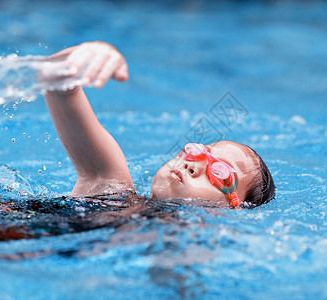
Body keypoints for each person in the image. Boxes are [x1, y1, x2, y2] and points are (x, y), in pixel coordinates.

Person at [43, 41, 275, 209]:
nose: (193, 166)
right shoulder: (108, 185)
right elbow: (56, 82)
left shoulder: (196, 245)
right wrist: (92, 52)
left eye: (220, 173)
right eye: (201, 152)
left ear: (233, 209)